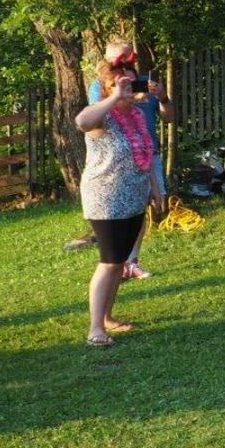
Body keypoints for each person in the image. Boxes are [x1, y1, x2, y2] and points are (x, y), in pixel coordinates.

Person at [75, 60, 166, 346]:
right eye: (119, 82)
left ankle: (108, 318)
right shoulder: (103, 115)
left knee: (119, 261)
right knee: (110, 261)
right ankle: (95, 329)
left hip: (134, 197)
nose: (127, 87)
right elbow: (81, 122)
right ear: (106, 87)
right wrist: (114, 97)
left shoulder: (137, 115)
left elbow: (146, 155)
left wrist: (155, 188)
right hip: (106, 198)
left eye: (131, 81)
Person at [86, 40, 174, 278]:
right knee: (116, 218)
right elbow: (91, 121)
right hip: (116, 164)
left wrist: (163, 98)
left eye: (129, 57)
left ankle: (131, 262)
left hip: (148, 156)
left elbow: (169, 118)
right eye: (120, 58)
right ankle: (116, 262)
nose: (125, 62)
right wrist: (121, 96)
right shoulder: (100, 86)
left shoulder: (145, 83)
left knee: (141, 208)